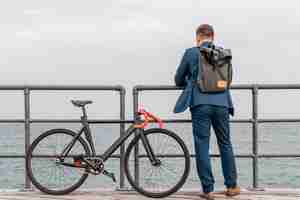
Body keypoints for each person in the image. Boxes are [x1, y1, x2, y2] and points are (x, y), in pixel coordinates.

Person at [173, 24, 240, 200]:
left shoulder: (191, 53)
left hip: (200, 103)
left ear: (197, 37)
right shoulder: (223, 53)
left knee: (202, 145)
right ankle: (232, 186)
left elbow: (178, 79)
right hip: (222, 103)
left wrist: (190, 79)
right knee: (225, 143)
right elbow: (229, 79)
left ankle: (208, 190)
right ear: (213, 36)